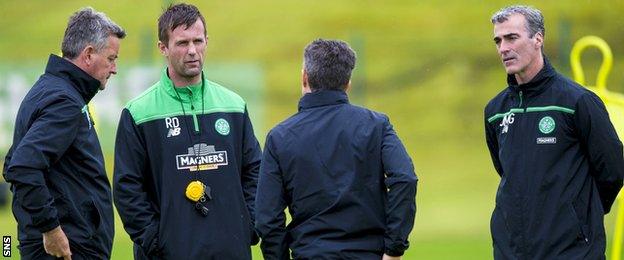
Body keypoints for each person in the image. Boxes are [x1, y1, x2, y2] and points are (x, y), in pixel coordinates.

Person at [113, 3, 262, 259]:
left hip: (231, 251)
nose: (192, 51)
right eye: (182, 43)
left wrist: (247, 225)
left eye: (198, 41)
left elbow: (255, 172)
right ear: (163, 48)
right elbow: (127, 187)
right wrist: (155, 240)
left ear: (207, 42)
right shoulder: (138, 113)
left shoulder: (234, 105)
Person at [255, 39, 417, 260]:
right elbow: (404, 178)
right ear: (348, 82)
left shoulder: (279, 137)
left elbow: (267, 218)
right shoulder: (376, 125)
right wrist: (394, 248)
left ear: (304, 76)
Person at [485, 5, 624, 259]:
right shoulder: (495, 111)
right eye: (498, 40)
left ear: (538, 38)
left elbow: (613, 171)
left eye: (511, 37)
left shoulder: (578, 102)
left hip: (572, 252)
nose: (503, 48)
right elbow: (506, 172)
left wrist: (579, 215)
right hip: (511, 252)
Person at [2, 7, 125, 260]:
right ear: (89, 54)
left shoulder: (49, 89)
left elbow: (12, 163)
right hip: (67, 251)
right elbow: (22, 167)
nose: (114, 68)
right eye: (111, 58)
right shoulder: (65, 101)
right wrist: (50, 230)